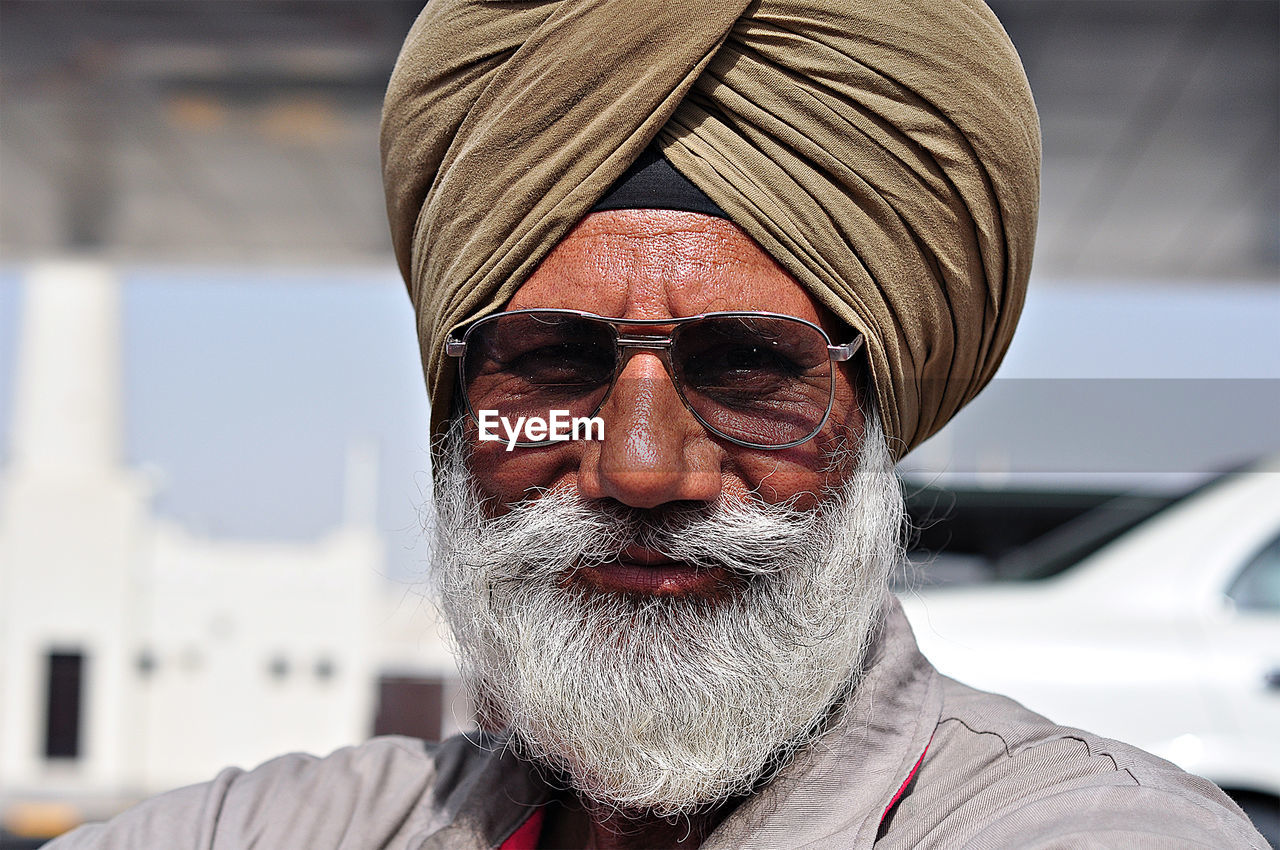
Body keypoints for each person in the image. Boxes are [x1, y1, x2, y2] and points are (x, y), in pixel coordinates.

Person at [49, 0, 1267, 847]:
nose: (637, 469)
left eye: (746, 367)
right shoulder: (299, 828)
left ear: (870, 425)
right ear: (457, 412)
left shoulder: (1082, 830)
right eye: (554, 361)